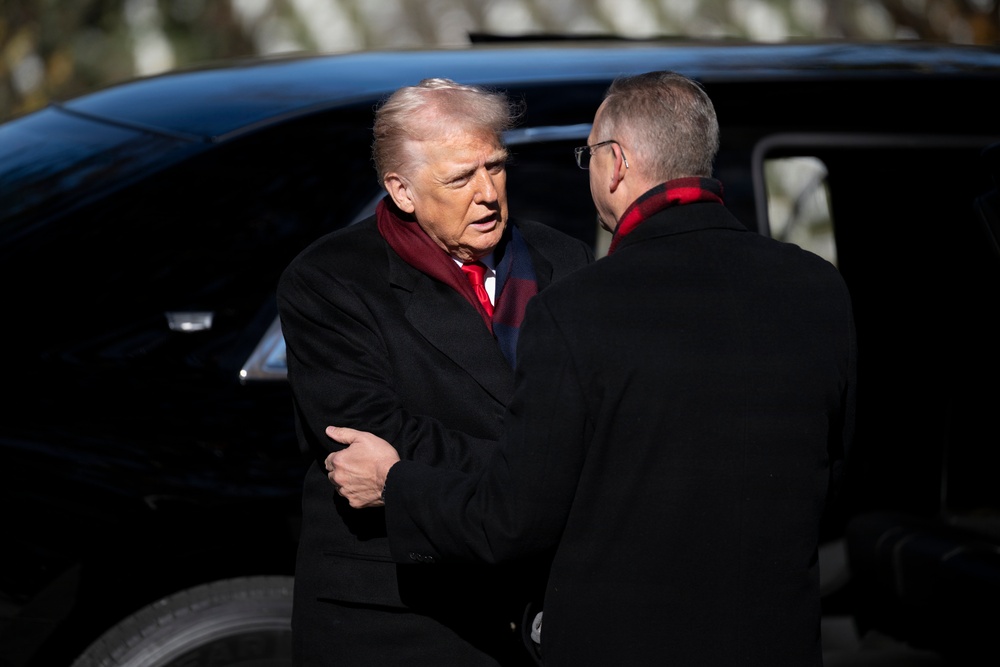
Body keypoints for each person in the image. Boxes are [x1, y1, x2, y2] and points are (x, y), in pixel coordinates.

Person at [325, 71, 857, 667]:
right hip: (775, 638)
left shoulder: (579, 305)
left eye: (589, 156)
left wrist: (397, 486)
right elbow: (830, 473)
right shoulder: (819, 289)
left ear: (616, 164)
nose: (489, 192)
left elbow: (514, 519)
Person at [276, 78, 594, 667]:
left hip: (542, 605)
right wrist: (544, 467)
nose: (487, 194)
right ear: (401, 190)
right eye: (459, 178)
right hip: (403, 611)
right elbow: (372, 433)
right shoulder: (330, 279)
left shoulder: (564, 260)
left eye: (495, 167)